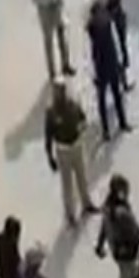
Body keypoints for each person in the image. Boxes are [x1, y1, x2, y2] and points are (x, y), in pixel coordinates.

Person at [44, 80, 95, 225]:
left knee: (82, 177)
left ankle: (86, 204)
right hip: (63, 149)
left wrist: (82, 126)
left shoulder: (73, 104)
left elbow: (82, 117)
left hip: (76, 145)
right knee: (67, 185)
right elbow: (48, 135)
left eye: (63, 90)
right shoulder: (51, 112)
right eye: (58, 91)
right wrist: (50, 156)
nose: (61, 94)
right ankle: (70, 214)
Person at [86, 0, 132, 142]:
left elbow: (113, 14)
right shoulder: (94, 30)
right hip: (102, 67)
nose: (103, 14)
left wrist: (118, 61)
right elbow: (92, 54)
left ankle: (122, 123)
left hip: (111, 63)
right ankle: (106, 130)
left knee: (116, 94)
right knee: (102, 100)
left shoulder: (105, 24)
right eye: (100, 11)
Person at [30, 0, 75, 82]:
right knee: (49, 44)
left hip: (56, 10)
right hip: (46, 15)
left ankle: (65, 65)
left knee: (62, 39)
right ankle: (52, 72)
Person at [106, 0, 134, 90]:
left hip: (118, 33)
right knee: (119, 59)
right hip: (117, 34)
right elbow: (115, 16)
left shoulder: (112, 2)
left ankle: (121, 82)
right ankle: (124, 84)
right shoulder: (114, 2)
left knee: (119, 59)